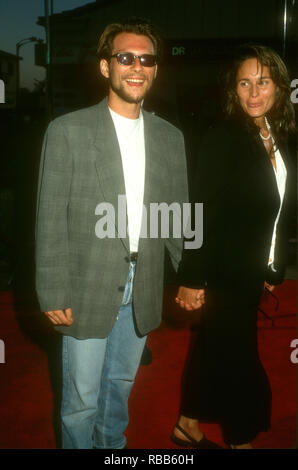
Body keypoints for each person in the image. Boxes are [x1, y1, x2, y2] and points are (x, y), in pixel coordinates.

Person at [35, 18, 188, 449]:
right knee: (81, 399)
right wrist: (51, 290)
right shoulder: (67, 131)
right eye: (125, 57)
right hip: (86, 283)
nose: (136, 66)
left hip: (145, 284)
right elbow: (49, 217)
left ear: (155, 69)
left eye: (146, 59)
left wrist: (197, 274)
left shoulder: (170, 137)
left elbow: (175, 216)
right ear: (106, 67)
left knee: (119, 386)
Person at [172, 44, 295, 449]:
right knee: (239, 360)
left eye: (262, 81)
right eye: (245, 82)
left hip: (251, 271)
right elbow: (199, 211)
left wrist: (274, 268)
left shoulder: (279, 137)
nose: (254, 92)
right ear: (234, 89)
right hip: (222, 272)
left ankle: (187, 424)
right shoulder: (224, 136)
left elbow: (281, 213)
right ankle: (241, 439)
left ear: (279, 86)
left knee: (213, 348)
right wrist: (192, 277)